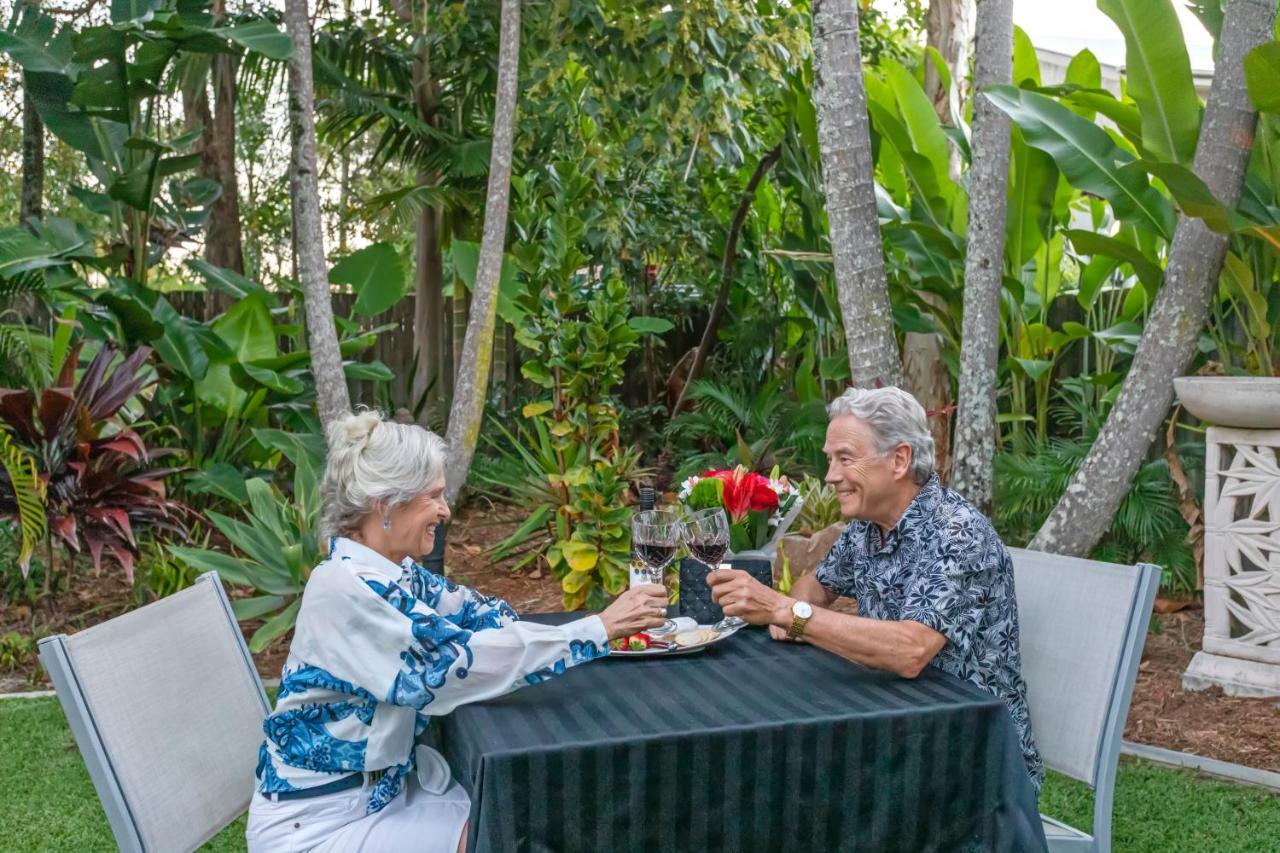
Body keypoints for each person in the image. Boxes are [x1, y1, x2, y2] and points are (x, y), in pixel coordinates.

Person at [246, 411, 668, 852]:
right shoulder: (345, 590)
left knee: (521, 813)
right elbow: (454, 668)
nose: (446, 511)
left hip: (380, 795)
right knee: (506, 832)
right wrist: (595, 629)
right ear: (386, 503)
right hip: (319, 824)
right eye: (434, 496)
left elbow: (481, 616)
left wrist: (592, 632)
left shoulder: (395, 573)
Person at [707, 386, 1044, 791]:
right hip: (893, 725)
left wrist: (785, 613)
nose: (830, 475)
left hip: (971, 759)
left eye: (845, 459)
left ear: (899, 459)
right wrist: (796, 608)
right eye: (831, 460)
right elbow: (813, 588)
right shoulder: (868, 528)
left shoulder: (958, 533)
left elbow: (909, 651)